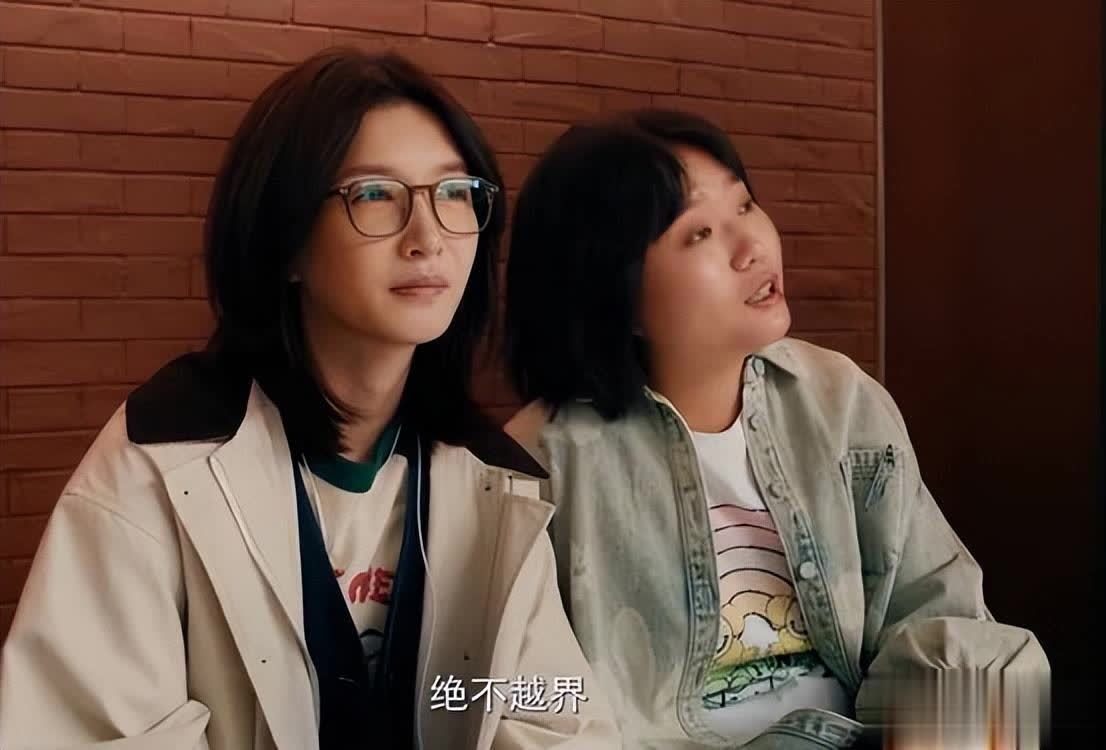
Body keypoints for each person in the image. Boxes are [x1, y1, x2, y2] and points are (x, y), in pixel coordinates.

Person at [0, 49, 618, 750]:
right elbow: (88, 731)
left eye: (454, 192)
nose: (429, 238)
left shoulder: (491, 479)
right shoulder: (160, 464)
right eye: (375, 193)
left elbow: (551, 707)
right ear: (285, 239)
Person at [503, 109, 1048, 749]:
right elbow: (521, 699)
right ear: (613, 291)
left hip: (869, 734)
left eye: (745, 205)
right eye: (700, 233)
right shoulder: (538, 466)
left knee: (1000, 678)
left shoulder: (840, 401)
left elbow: (935, 604)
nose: (752, 246)